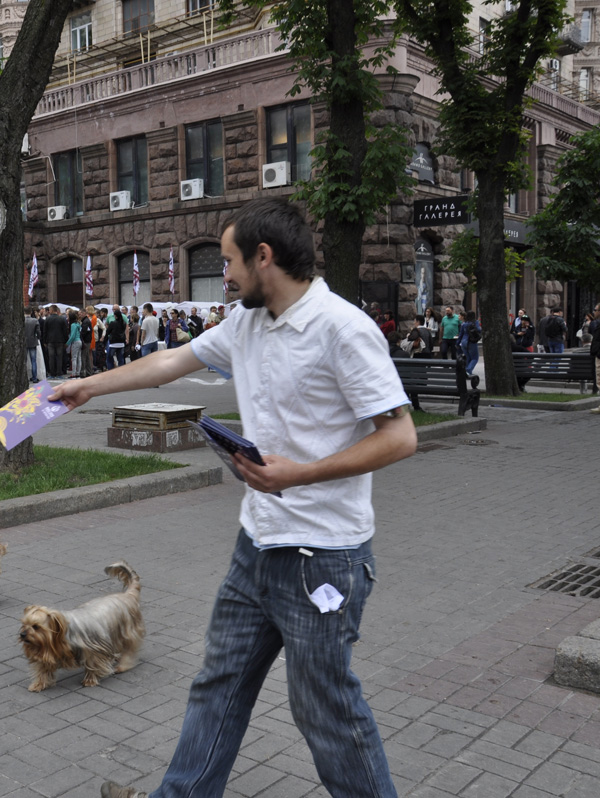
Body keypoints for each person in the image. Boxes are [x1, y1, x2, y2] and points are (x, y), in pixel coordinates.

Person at [49, 199, 416, 798]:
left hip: (323, 558)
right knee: (218, 683)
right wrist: (89, 385)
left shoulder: (342, 329)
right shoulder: (248, 322)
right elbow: (171, 361)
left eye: (228, 262)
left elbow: (400, 437)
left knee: (323, 710)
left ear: (263, 257)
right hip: (256, 547)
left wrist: (296, 475)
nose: (225, 275)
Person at [43, 305, 70, 378]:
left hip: (50, 340)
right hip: (60, 340)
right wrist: (66, 340)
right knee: (59, 357)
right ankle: (59, 373)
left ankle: (52, 373)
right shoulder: (62, 319)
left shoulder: (47, 319)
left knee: (51, 357)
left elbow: (45, 331)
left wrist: (45, 341)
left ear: (51, 310)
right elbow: (65, 331)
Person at [457, 310, 482, 375]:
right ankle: (468, 370)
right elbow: (479, 329)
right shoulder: (475, 322)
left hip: (463, 342)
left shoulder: (464, 324)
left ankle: (466, 370)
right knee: (475, 358)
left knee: (468, 357)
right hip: (471, 341)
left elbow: (460, 334)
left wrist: (457, 343)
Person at [25, 306, 42, 382]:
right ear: (31, 312)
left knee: (24, 360)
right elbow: (38, 332)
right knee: (33, 360)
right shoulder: (35, 320)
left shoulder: (22, 321)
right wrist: (38, 338)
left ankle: (25, 377)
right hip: (33, 341)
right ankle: (34, 377)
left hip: (24, 341)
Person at [66, 309, 82, 377]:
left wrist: (67, 343)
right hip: (79, 341)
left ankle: (74, 373)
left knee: (74, 358)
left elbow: (72, 336)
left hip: (75, 341)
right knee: (79, 357)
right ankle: (78, 372)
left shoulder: (72, 325)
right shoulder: (78, 324)